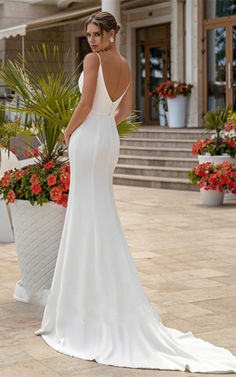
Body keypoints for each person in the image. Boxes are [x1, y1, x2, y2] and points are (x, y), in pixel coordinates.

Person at [35, 11, 236, 373]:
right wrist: (100, 128)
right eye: (89, 34)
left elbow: (83, 105)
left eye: (98, 33)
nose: (92, 40)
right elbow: (124, 111)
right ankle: (102, 293)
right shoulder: (126, 65)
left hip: (87, 139)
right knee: (100, 210)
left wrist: (70, 133)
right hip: (108, 140)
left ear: (113, 32)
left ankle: (82, 304)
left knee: (85, 211)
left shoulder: (92, 60)